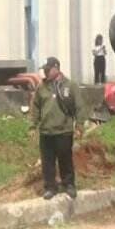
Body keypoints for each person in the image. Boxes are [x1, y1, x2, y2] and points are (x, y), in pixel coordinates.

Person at [30, 57, 85, 200]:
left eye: (48, 69)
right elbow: (35, 107)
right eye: (45, 69)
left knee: (65, 159)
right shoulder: (41, 87)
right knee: (47, 162)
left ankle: (69, 185)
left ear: (56, 68)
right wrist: (33, 125)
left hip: (64, 131)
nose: (46, 72)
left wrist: (79, 125)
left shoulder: (70, 85)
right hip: (46, 132)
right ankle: (50, 187)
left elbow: (79, 106)